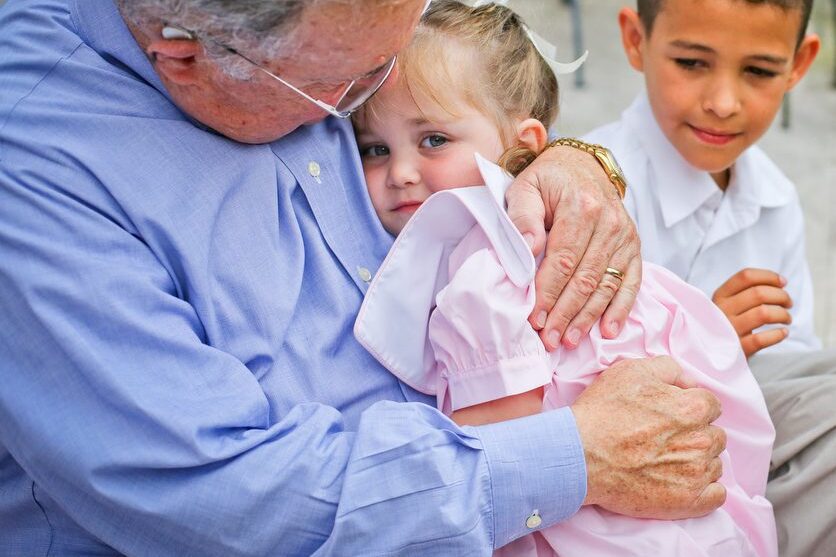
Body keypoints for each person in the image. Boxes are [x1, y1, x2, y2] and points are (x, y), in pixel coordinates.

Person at [0, 0, 726, 554]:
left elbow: (470, 73)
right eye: (345, 91)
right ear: (185, 58)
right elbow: (222, 501)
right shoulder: (38, 169)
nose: (377, 86)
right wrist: (579, 456)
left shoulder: (300, 31)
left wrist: (564, 161)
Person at [351, 2, 775, 555]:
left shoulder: (484, 275)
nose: (401, 172)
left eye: (433, 140)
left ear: (526, 144)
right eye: (374, 149)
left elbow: (503, 460)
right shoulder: (563, 235)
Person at [584, 0, 821, 358]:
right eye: (691, 63)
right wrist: (699, 344)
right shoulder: (586, 195)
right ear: (636, 40)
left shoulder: (778, 201)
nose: (723, 104)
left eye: (758, 70)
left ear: (798, 64)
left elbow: (796, 361)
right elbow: (553, 377)